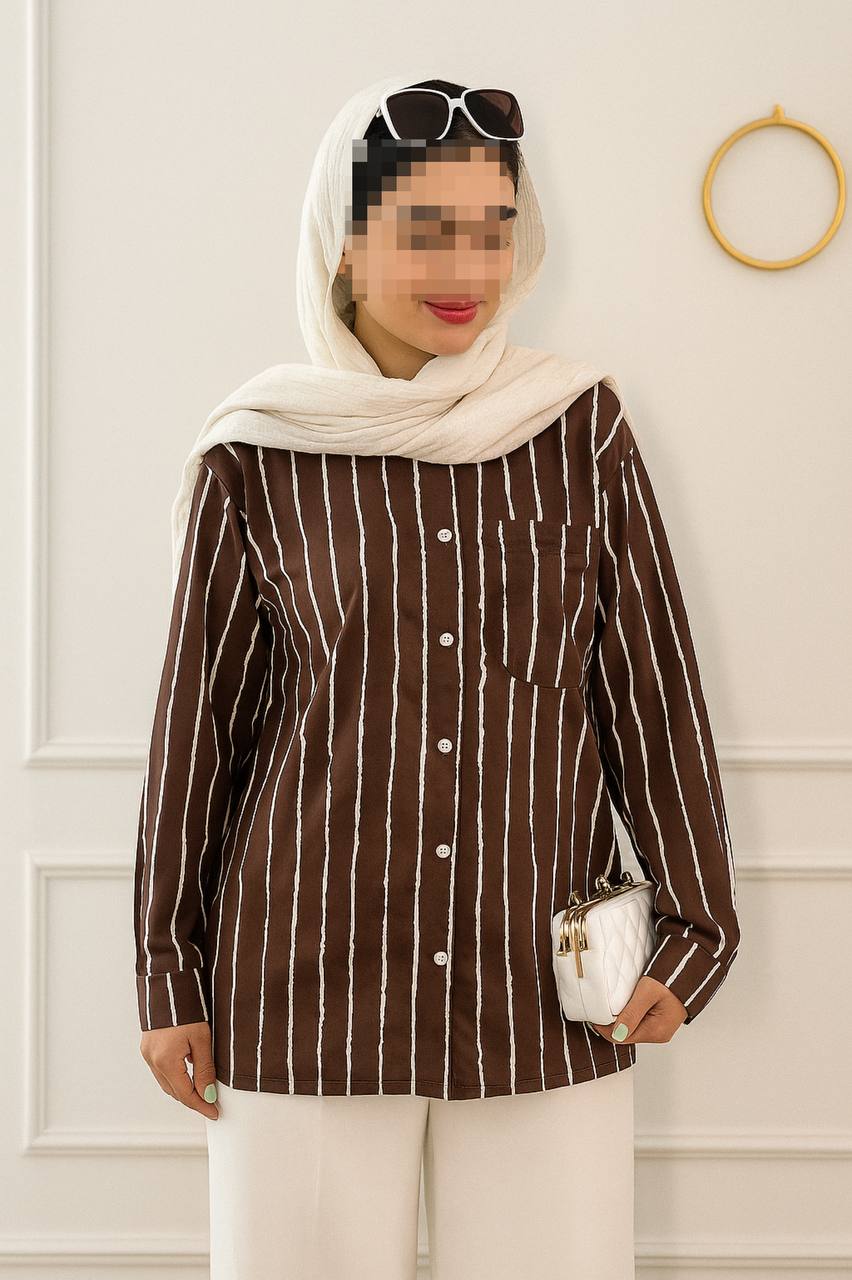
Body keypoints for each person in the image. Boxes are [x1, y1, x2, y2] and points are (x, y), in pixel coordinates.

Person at [133, 71, 740, 1280]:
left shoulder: (579, 428)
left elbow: (652, 692)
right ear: (343, 244)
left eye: (492, 227)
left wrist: (698, 929)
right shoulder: (258, 452)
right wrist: (165, 969)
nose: (468, 266)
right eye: (425, 229)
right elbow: (199, 728)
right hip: (300, 985)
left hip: (542, 984)